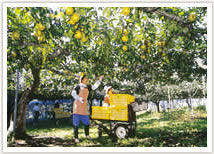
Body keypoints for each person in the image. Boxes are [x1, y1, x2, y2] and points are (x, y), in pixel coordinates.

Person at [71, 73, 103, 143]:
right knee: (76, 124)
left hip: (84, 107)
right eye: (85, 78)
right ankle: (76, 138)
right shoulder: (78, 86)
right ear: (82, 80)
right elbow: (73, 93)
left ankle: (87, 135)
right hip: (77, 107)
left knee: (86, 122)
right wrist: (79, 98)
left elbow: (94, 87)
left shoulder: (87, 87)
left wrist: (99, 80)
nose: (87, 79)